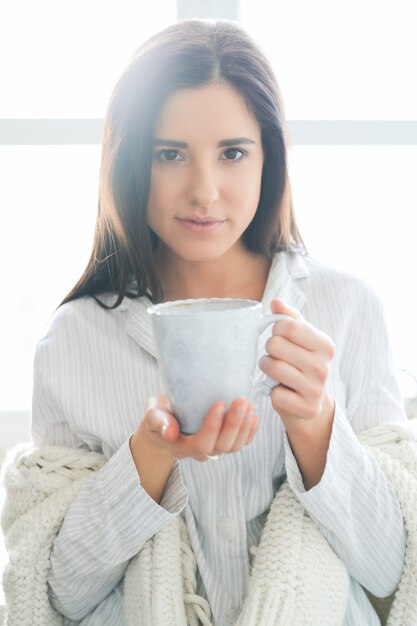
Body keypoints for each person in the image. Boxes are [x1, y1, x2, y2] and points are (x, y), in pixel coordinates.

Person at [28, 18, 406, 626]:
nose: (204, 191)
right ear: (130, 162)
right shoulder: (74, 340)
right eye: (169, 154)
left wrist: (316, 426)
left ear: (269, 157)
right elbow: (52, 594)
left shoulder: (348, 309)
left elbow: (396, 574)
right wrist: (149, 456)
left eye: (233, 153)